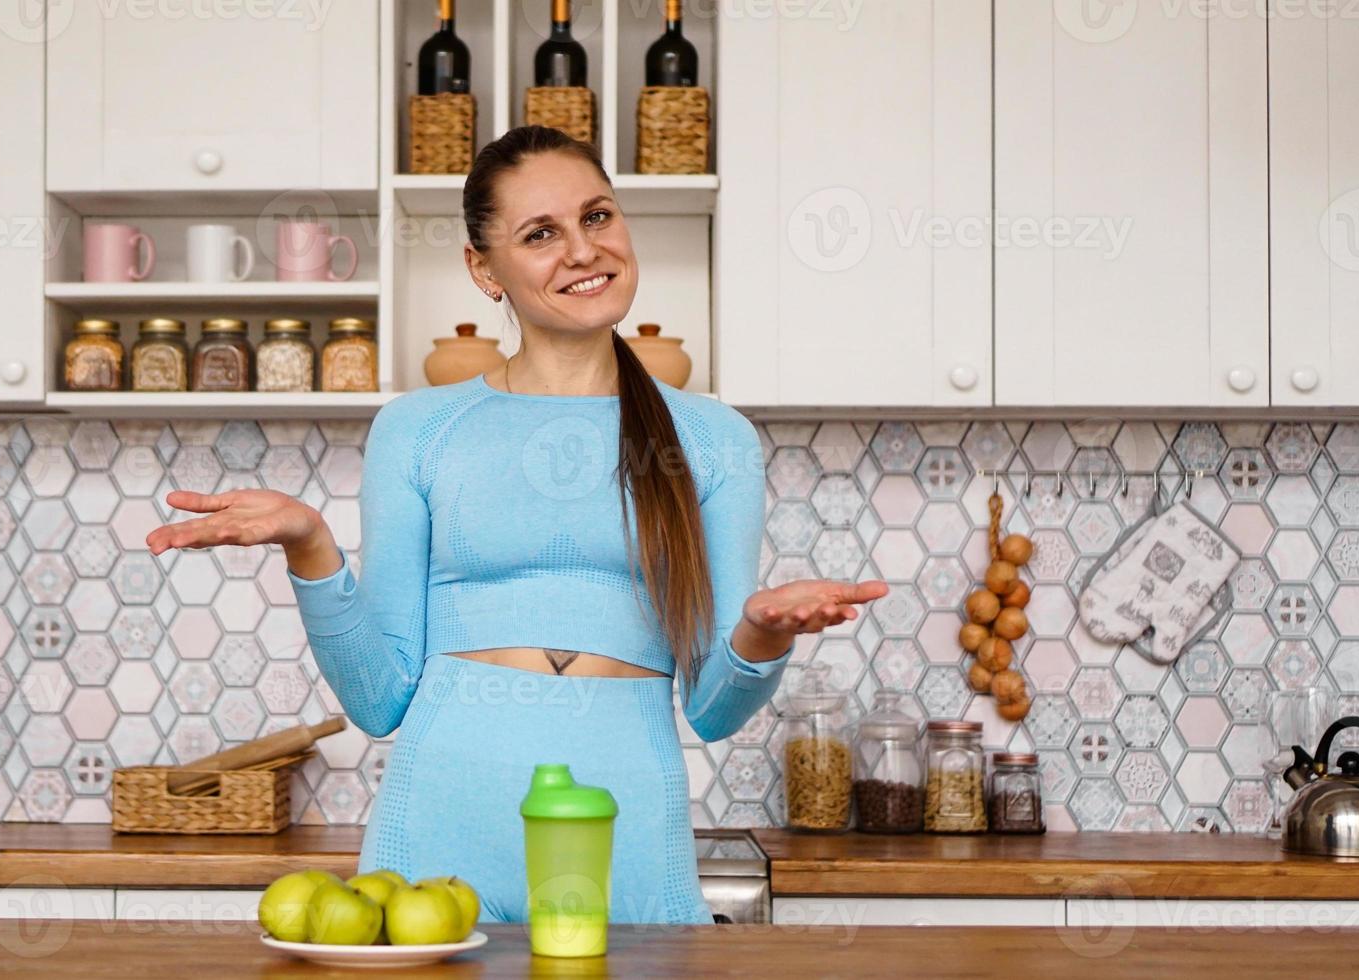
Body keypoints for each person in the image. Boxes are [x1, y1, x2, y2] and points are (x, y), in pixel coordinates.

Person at [147, 125, 888, 925]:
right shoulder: (419, 430)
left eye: (597, 217)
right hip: (441, 829)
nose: (582, 250)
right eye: (541, 234)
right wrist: (310, 548)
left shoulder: (712, 440)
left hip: (625, 834)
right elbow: (380, 699)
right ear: (482, 268)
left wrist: (763, 636)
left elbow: (713, 709)